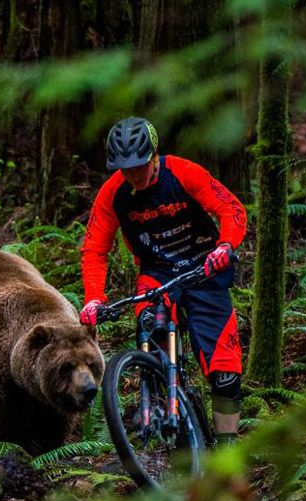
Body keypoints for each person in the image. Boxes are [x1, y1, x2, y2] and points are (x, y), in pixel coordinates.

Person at [78, 117, 247, 444]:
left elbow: (231, 209)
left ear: (155, 156)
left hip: (205, 269)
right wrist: (93, 298)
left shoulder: (184, 172)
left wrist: (225, 245)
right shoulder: (113, 193)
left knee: (225, 373)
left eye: (140, 166)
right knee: (148, 329)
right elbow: (94, 250)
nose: (134, 175)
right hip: (157, 275)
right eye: (126, 169)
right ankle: (171, 421)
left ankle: (228, 452)